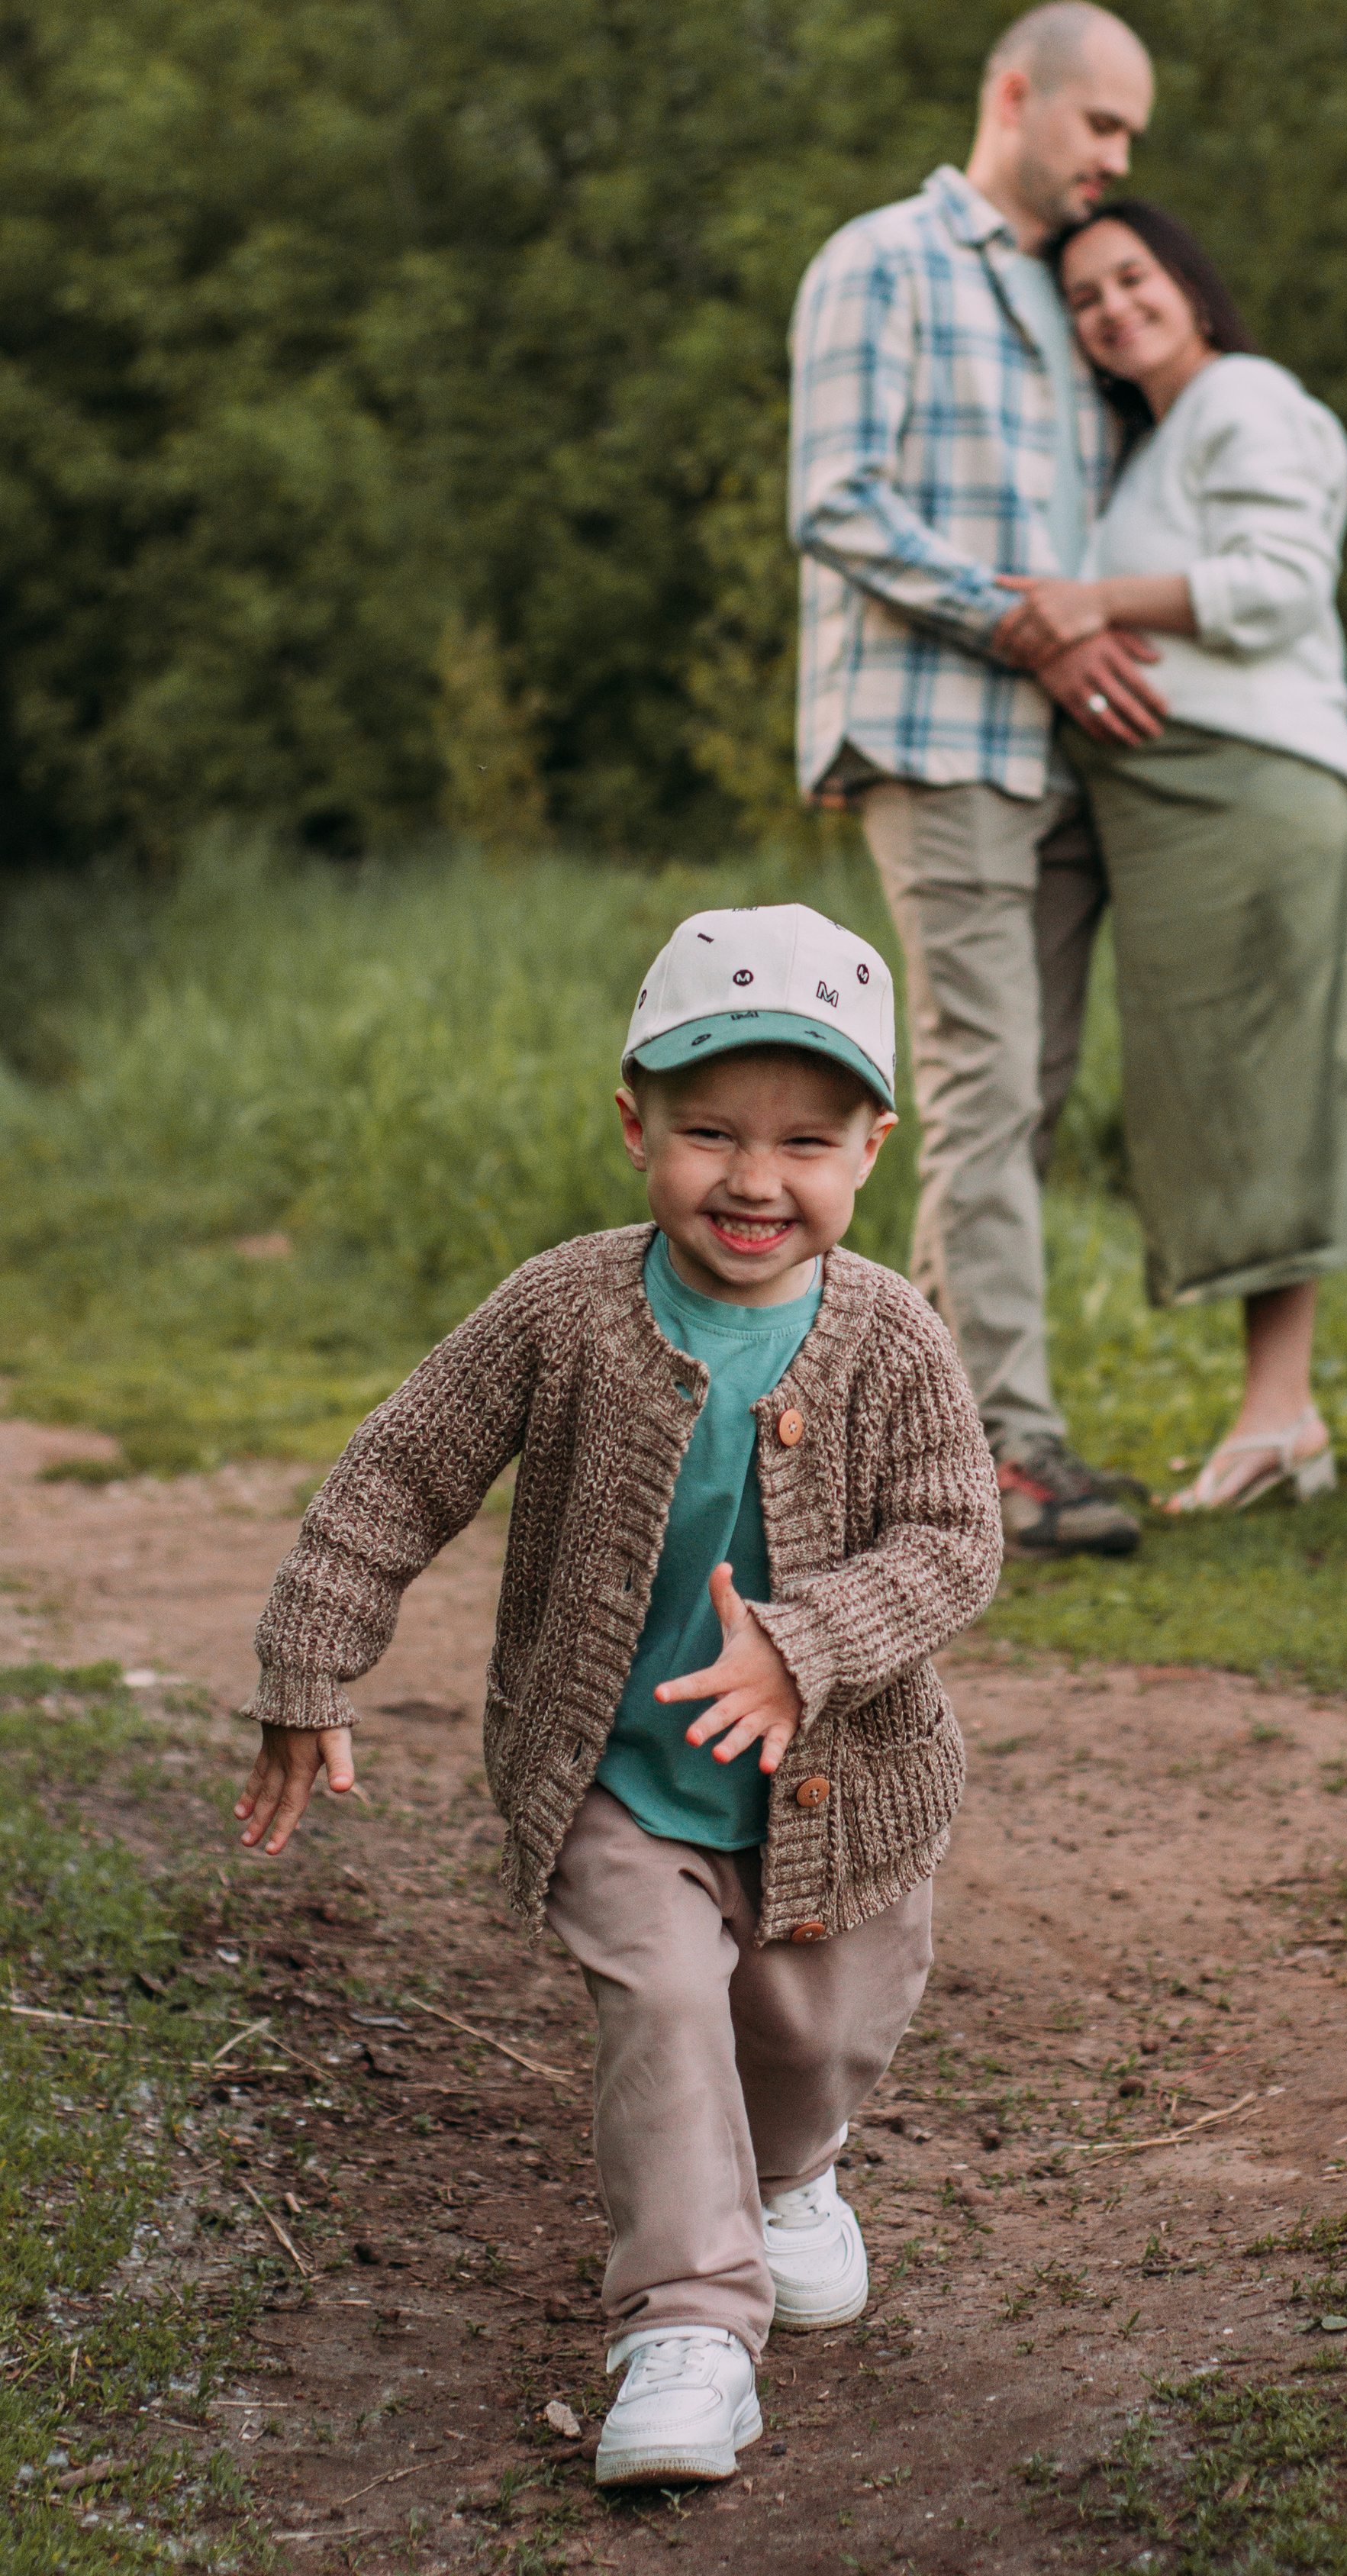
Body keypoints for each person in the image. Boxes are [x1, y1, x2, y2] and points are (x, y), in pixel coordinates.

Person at [229, 904, 1001, 2487]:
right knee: (659, 2008)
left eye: (803, 1139)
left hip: (836, 1791)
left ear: (871, 1150)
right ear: (632, 1121)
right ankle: (686, 2331)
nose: (751, 1178)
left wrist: (814, 1640)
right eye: (708, 1129)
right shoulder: (564, 1311)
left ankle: (792, 2182)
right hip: (617, 1781)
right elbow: (399, 1474)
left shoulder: (891, 1341)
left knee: (811, 2035)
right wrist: (310, 1660)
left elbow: (954, 1541)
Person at [994, 202, 1347, 1507]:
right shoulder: (1153, 444)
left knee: (1340, 1073)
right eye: (1083, 299)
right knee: (1245, 1104)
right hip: (1168, 816)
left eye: (1132, 279)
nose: (1111, 309)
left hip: (1257, 790)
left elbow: (1281, 580)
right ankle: (1278, 1415)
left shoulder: (1246, 397)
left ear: (1189, 282)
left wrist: (1094, 605)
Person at [790, 0, 1163, 1559]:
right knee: (977, 1085)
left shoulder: (1061, 300)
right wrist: (1020, 621)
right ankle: (1005, 1452)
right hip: (936, 730)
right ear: (1017, 95)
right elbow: (839, 500)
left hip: (1055, 756)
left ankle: (920, 1444)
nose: (1116, 162)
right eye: (1102, 126)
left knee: (1021, 1099)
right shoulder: (882, 257)